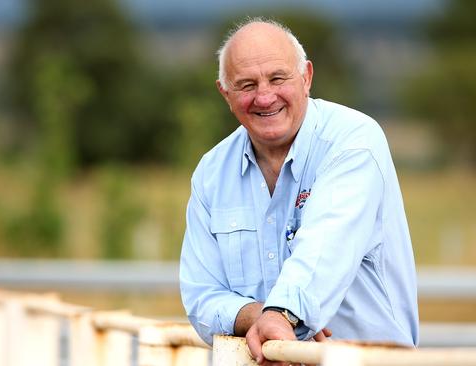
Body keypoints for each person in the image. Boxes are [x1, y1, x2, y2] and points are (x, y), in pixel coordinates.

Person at [179, 18, 419, 364]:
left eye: (278, 78)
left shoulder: (353, 142)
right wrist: (262, 316)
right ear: (224, 93)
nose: (264, 96)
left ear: (306, 77)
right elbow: (202, 296)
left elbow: (325, 246)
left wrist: (283, 314)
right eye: (246, 85)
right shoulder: (211, 173)